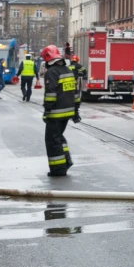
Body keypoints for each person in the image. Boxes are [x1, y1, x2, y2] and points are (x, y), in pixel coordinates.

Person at [40, 45, 80, 177]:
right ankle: (66, 161)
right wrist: (76, 111)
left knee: (52, 141)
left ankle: (58, 169)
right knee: (58, 137)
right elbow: (75, 93)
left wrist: (47, 110)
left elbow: (50, 94)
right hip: (68, 112)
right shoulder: (67, 70)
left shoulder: (51, 73)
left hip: (56, 113)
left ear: (48, 59)